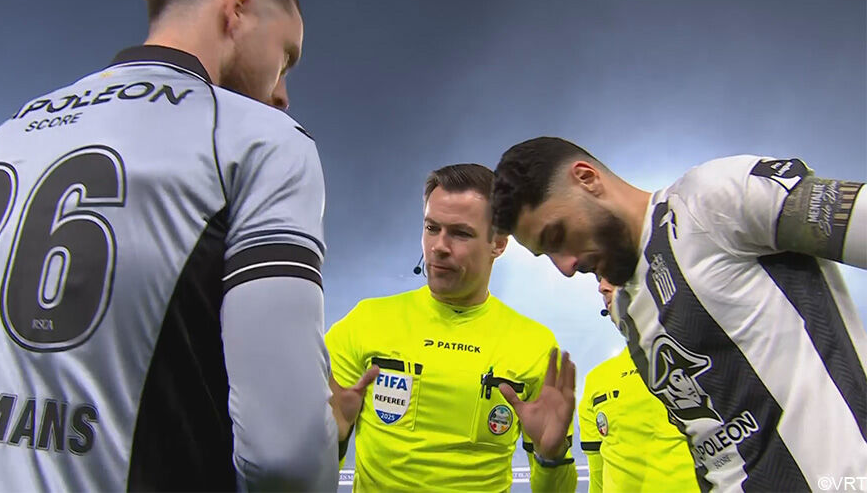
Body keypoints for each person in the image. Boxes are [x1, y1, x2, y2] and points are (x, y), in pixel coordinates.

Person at [0, 0, 338, 490]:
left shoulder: (0, 138)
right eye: (286, 56)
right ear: (237, 9)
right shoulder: (261, 138)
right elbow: (287, 458)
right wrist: (327, 435)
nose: (282, 93)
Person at [491, 137, 867, 490]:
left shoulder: (710, 200)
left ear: (587, 179)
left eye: (557, 236)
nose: (565, 267)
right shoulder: (628, 310)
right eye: (546, 254)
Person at [326, 164, 577, 492]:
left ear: (498, 244)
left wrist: (551, 457)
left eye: (460, 233)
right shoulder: (365, 322)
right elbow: (310, 475)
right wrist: (333, 440)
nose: (439, 246)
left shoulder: (534, 345)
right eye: (432, 228)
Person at [579, 276, 699, 492]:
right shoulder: (597, 380)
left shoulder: (702, 360)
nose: (602, 287)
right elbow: (597, 477)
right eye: (598, 278)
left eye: (611, 275)